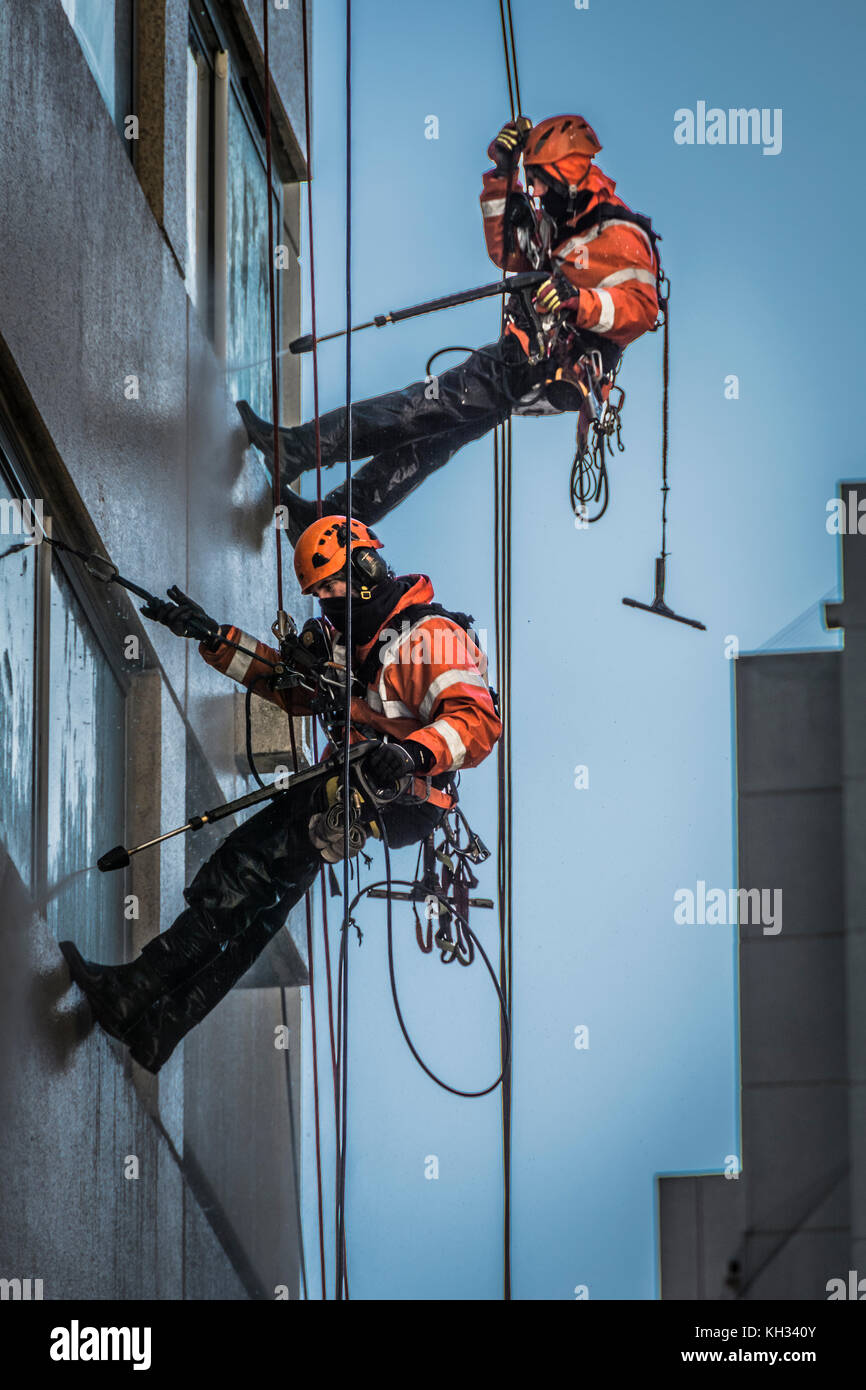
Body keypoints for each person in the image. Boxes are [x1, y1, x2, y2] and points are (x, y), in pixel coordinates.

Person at [60, 516, 501, 1073]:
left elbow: (477, 721)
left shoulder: (429, 638)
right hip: (352, 785)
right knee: (262, 906)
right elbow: (293, 689)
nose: (323, 603)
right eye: (316, 593)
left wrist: (414, 753)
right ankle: (160, 1027)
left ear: (364, 568)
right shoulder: (348, 639)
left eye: (330, 586)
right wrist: (213, 638)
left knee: (242, 869)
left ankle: (133, 992)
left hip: (386, 791)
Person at [237, 114, 661, 541]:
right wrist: (502, 174)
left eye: (542, 181)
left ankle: (294, 450)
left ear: (568, 175)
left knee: (419, 407)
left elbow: (641, 309)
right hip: (529, 360)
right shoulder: (562, 218)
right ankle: (328, 522)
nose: (537, 192)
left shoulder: (618, 233)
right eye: (533, 181)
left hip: (548, 366)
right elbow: (509, 254)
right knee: (431, 441)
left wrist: (579, 300)